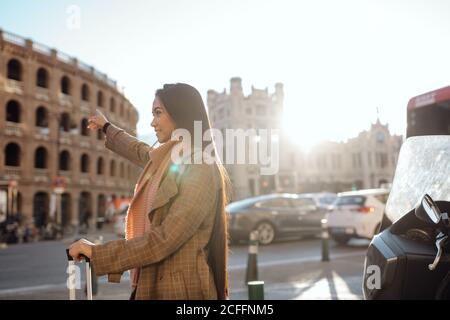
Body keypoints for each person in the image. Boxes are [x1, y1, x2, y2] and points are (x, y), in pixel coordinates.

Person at [68, 83, 231, 300]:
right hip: (153, 281)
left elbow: (165, 239)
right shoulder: (171, 157)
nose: (152, 122)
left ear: (180, 113)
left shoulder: (199, 166)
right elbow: (141, 152)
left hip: (181, 291)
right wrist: (107, 127)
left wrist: (98, 253)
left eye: (158, 113)